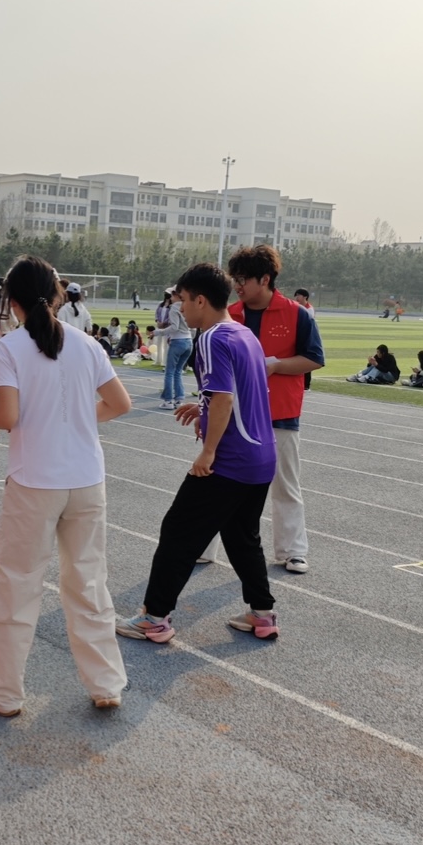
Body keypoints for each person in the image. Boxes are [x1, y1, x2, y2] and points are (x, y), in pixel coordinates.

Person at [0, 255, 131, 717]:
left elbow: (8, 415)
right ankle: (106, 684)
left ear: (11, 301)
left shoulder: (9, 348)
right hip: (86, 480)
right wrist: (77, 419)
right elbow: (120, 403)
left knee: (17, 585)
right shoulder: (87, 343)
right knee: (88, 582)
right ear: (57, 296)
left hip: (35, 482)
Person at [116, 263, 280, 643]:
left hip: (230, 461)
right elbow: (239, 393)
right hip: (261, 457)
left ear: (201, 301)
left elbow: (224, 399)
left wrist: (208, 452)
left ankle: (154, 618)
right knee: (242, 537)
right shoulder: (244, 334)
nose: (181, 308)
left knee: (178, 532)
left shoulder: (211, 338)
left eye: (184, 301)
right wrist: (202, 408)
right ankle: (262, 614)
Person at [228, 244, 324, 575]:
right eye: (235, 279)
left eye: (243, 279)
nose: (237, 285)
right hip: (234, 413)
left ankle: (293, 551)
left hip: (280, 413)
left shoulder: (297, 314)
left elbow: (314, 358)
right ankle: (205, 546)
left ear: (265, 279)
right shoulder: (229, 314)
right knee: (222, 484)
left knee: (285, 485)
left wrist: (276, 365)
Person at [153, 286, 193, 409]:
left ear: (176, 295)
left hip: (178, 341)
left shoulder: (174, 308)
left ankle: (168, 401)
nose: (170, 298)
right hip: (188, 341)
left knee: (169, 372)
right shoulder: (188, 306)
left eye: (171, 295)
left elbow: (174, 327)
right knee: (178, 371)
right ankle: (179, 399)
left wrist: (158, 332)